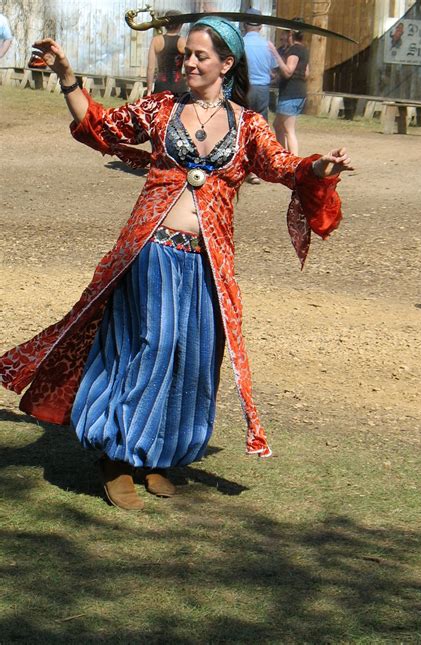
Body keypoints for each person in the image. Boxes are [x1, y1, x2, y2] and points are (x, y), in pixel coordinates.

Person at [0, 18, 353, 511]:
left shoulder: (248, 124)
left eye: (200, 56)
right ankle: (117, 456)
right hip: (152, 249)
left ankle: (158, 454)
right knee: (154, 343)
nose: (187, 62)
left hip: (208, 258)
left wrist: (319, 167)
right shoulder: (162, 108)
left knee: (194, 357)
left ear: (226, 65)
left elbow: (282, 167)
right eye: (185, 55)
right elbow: (100, 127)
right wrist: (66, 75)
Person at [242, 8, 276, 185]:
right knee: (260, 129)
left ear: (244, 24)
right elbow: (273, 72)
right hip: (262, 89)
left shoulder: (240, 43)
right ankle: (257, 169)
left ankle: (243, 167)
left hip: (245, 88)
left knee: (243, 127)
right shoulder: (267, 45)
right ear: (261, 26)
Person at [270, 23, 309, 156]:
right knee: (278, 125)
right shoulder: (304, 50)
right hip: (299, 93)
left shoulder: (294, 50)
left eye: (285, 34)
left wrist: (275, 54)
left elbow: (288, 72)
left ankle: (294, 162)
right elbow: (306, 73)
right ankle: (283, 156)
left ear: (291, 34)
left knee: (288, 130)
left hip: (290, 95)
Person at [146, 9, 186, 95]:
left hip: (161, 85)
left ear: (164, 24)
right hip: (179, 86)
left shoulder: (156, 40)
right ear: (180, 25)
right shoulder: (184, 42)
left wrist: (149, 90)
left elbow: (150, 68)